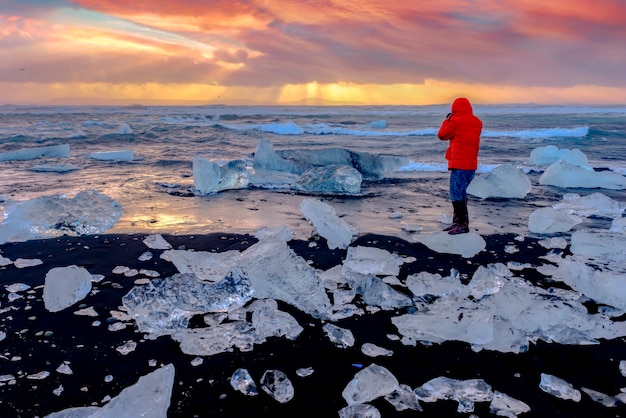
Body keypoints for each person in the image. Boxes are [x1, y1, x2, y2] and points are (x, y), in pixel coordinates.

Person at [437, 97, 482, 235]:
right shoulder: (477, 122)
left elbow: (442, 135)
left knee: (456, 194)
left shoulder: (455, 121)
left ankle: (461, 225)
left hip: (459, 164)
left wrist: (447, 120)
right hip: (471, 164)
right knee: (462, 193)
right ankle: (458, 223)